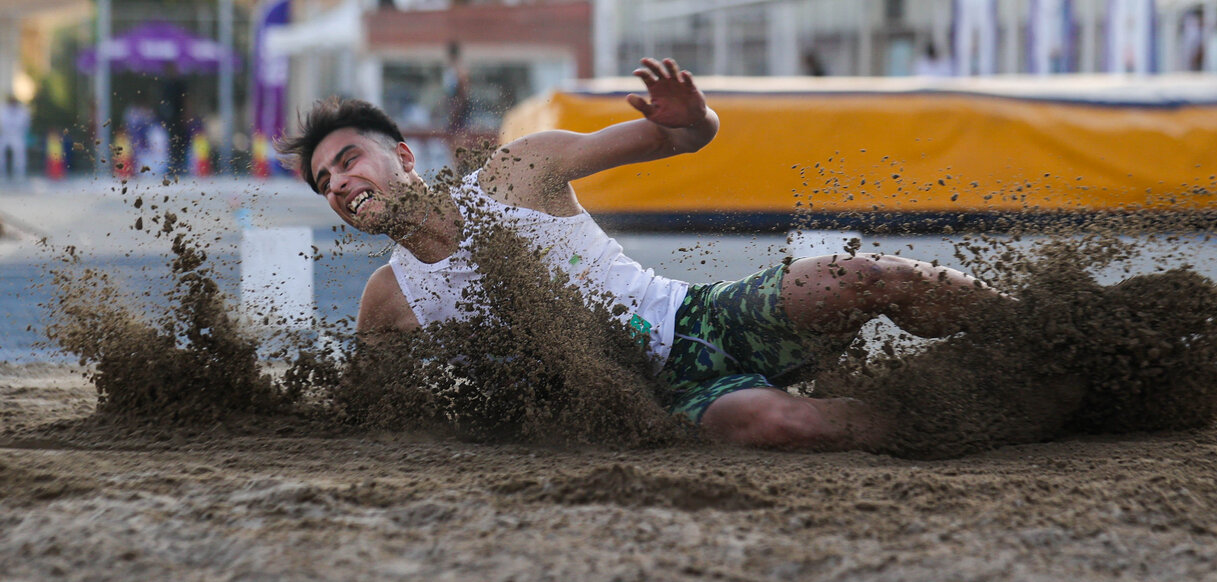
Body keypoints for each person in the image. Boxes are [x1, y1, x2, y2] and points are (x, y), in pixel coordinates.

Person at [276, 58, 1016, 451]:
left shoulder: (516, 173)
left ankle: (1031, 331)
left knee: (855, 277)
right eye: (325, 182)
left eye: (348, 160)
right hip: (657, 398)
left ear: (402, 156)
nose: (340, 183)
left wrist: (695, 118)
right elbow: (369, 409)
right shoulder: (389, 298)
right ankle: (968, 420)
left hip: (698, 317)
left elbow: (677, 139)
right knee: (781, 425)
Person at [0, 95, 31, 180]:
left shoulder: (22, 111)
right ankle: (2, 173)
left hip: (17, 135)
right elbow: (2, 123)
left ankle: (19, 173)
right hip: (5, 135)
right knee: (1, 151)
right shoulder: (3, 110)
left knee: (19, 153)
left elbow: (26, 124)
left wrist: (22, 133)